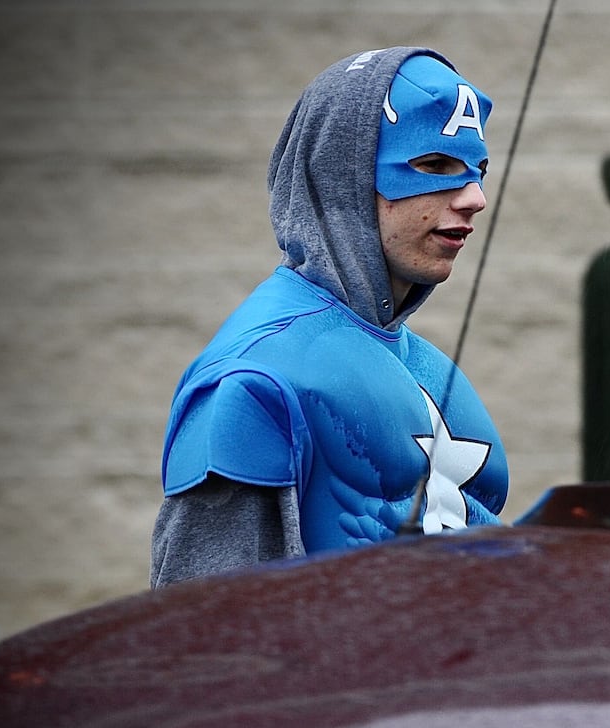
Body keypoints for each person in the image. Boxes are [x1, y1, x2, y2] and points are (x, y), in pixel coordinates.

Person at [151, 47, 508, 588]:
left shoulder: (427, 369)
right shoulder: (252, 380)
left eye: (477, 170)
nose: (475, 197)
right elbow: (203, 643)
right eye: (434, 166)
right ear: (342, 175)